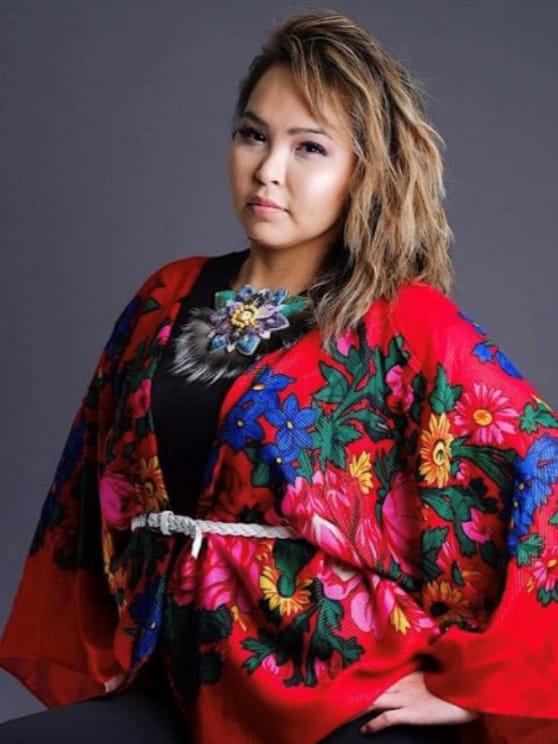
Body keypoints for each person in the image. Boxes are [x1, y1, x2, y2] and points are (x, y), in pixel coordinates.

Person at [1, 9, 557, 744]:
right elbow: (93, 486)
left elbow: (542, 469)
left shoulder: (403, 322)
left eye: (310, 147)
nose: (268, 169)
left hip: (343, 698)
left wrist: (470, 683)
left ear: (365, 171)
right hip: (183, 682)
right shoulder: (166, 295)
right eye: (252, 134)